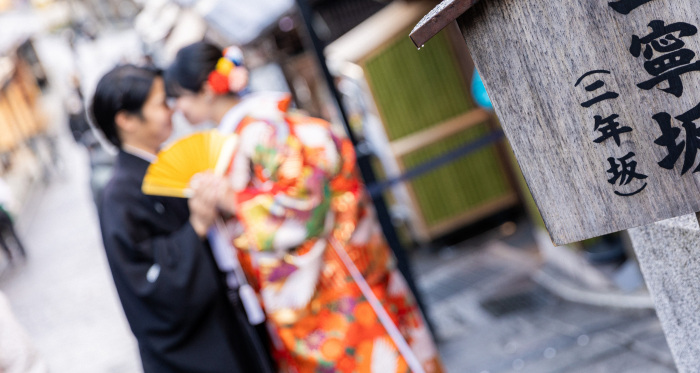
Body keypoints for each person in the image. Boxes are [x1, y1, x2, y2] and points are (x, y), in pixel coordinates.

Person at [166, 42, 443, 373]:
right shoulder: (253, 128)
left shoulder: (261, 130)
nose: (177, 108)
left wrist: (233, 202)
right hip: (324, 276)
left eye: (178, 97)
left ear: (206, 89)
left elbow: (305, 203)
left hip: (330, 280)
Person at [89, 64, 273, 373]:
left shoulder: (163, 168)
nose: (172, 109)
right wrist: (196, 227)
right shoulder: (119, 197)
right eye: (161, 103)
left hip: (228, 323)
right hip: (195, 354)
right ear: (126, 120)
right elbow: (147, 285)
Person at [0, 177, 26, 263]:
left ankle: (10, 256)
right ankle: (21, 251)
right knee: (13, 233)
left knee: (2, 238)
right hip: (3, 212)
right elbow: (6, 195)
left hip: (3, 212)